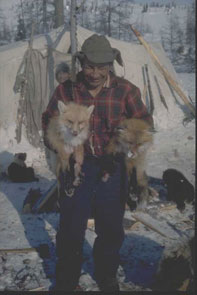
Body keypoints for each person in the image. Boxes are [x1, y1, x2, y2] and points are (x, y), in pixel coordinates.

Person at [42, 34, 153, 291]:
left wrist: (130, 137)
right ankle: (67, 279)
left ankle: (106, 275)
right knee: (71, 225)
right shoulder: (66, 90)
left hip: (111, 163)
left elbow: (145, 122)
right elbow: (47, 122)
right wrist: (61, 147)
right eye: (89, 66)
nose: (94, 73)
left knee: (111, 224)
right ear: (82, 63)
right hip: (76, 162)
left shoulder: (126, 90)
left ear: (110, 65)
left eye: (101, 67)